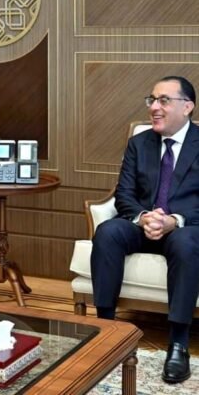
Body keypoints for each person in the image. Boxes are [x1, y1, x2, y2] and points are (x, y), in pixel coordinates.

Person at [91, 76, 199, 384]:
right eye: (152, 100)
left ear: (187, 107)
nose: (154, 107)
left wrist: (174, 219)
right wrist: (143, 217)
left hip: (185, 228)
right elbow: (124, 194)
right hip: (144, 224)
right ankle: (107, 330)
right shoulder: (139, 144)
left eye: (164, 100)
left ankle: (178, 344)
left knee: (186, 242)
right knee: (108, 232)